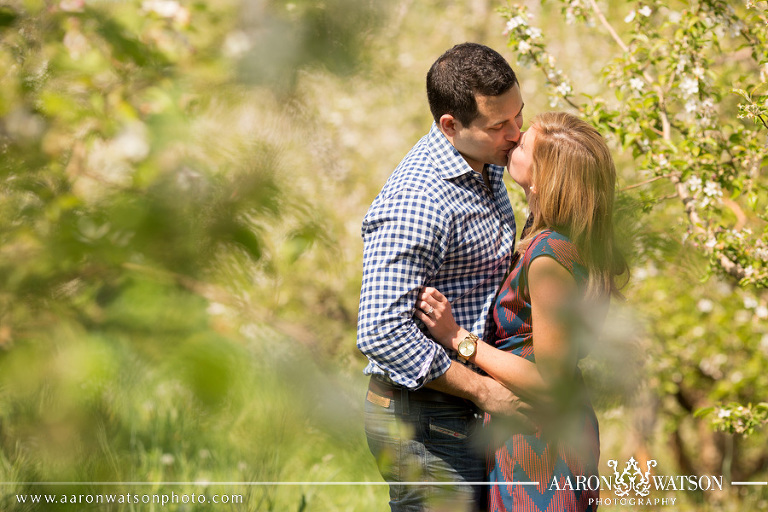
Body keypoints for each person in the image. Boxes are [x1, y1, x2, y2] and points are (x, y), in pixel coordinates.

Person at [416, 112, 628, 512]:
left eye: (525, 142)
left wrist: (458, 338)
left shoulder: (550, 257)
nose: (514, 138)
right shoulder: (561, 242)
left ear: (544, 178)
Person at [357, 42, 531, 512]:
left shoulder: (484, 162)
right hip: (423, 420)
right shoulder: (419, 199)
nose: (516, 134)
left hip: (462, 412)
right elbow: (380, 331)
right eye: (500, 125)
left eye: (519, 116)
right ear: (450, 125)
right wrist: (484, 389)